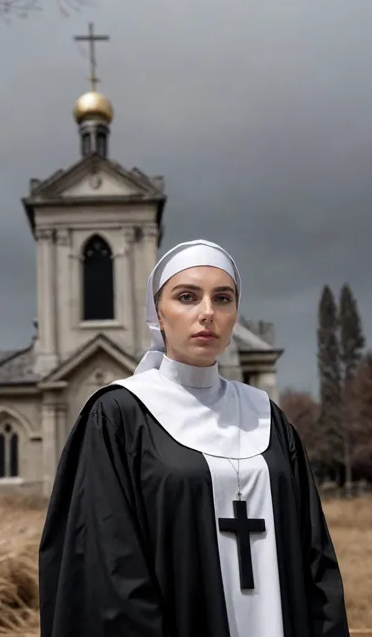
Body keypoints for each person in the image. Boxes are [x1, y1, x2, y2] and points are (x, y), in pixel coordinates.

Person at [39, 239, 350, 637]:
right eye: (187, 297)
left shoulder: (266, 417)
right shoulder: (121, 414)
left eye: (223, 299)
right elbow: (107, 570)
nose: (207, 313)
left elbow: (315, 559)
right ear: (160, 316)